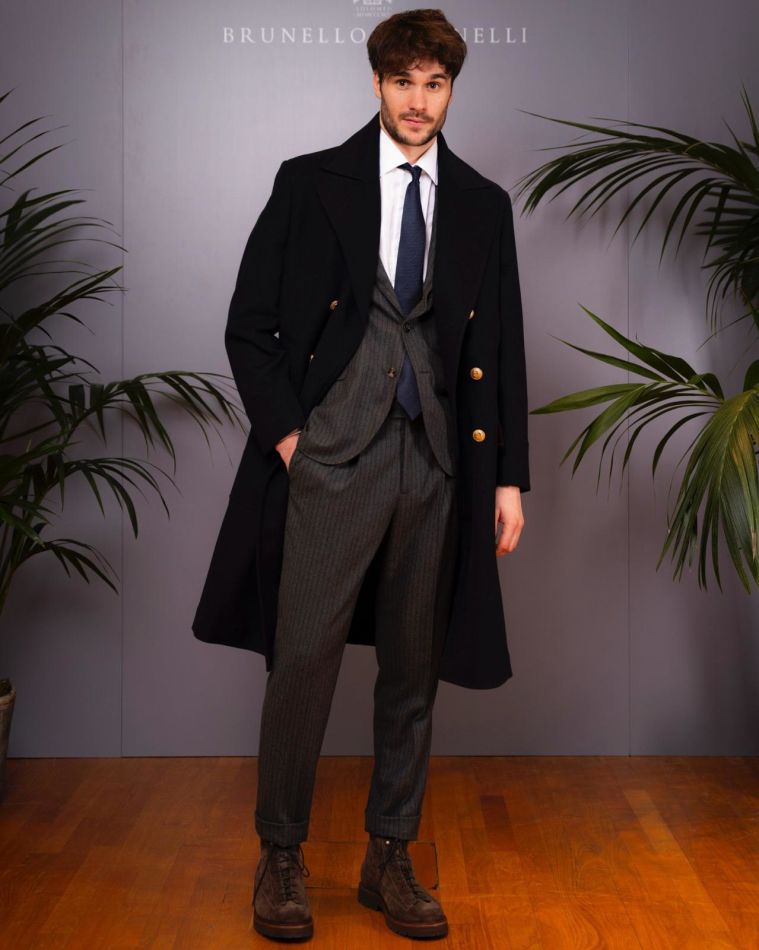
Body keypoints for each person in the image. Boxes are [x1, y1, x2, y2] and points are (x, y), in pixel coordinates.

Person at [192, 7, 530, 942]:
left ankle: (389, 854)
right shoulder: (310, 183)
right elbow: (248, 325)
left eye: (435, 84)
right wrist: (290, 440)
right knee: (302, 660)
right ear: (375, 83)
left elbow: (499, 349)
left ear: (450, 89)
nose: (418, 101)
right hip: (332, 460)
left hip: (438, 466)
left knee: (413, 669)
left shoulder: (482, 203)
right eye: (402, 82)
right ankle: (281, 854)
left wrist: (507, 479)